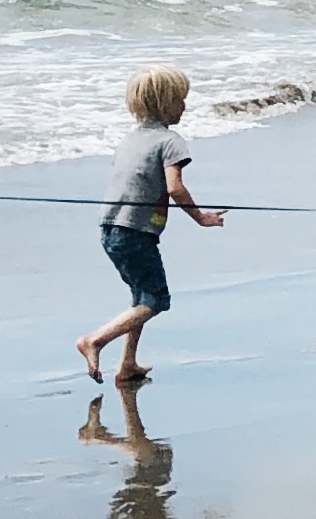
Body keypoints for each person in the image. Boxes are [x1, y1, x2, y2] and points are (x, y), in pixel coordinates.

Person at [78, 67, 224, 387]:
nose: (184, 106)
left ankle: (128, 364)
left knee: (139, 297)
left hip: (110, 228)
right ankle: (95, 341)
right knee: (155, 300)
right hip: (136, 232)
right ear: (163, 104)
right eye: (179, 100)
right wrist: (201, 217)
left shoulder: (129, 140)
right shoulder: (170, 141)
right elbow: (175, 188)